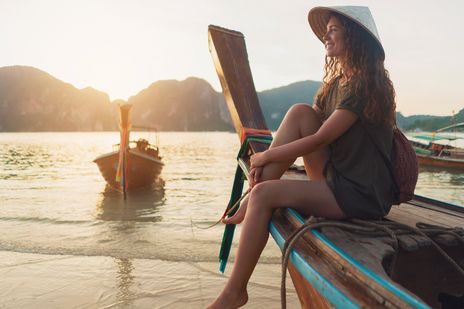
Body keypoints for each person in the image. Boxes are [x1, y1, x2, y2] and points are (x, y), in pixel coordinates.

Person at [208, 6, 396, 309]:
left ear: (355, 37)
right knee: (299, 111)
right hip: (337, 177)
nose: (326, 35)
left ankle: (235, 292)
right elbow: (305, 128)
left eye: (334, 29)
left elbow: (321, 139)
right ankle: (253, 194)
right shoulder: (336, 84)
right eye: (328, 29)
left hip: (360, 194)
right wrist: (269, 161)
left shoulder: (364, 84)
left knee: (266, 195)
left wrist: (264, 156)